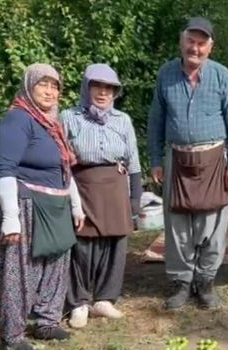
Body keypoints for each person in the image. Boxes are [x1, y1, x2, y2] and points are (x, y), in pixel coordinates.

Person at [147, 17, 228, 310]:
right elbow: (156, 122)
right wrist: (155, 159)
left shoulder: (222, 76)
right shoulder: (166, 74)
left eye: (202, 43)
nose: (196, 48)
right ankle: (181, 283)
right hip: (177, 158)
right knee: (177, 226)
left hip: (215, 159)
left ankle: (206, 282)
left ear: (210, 47)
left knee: (213, 226)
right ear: (182, 41)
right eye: (191, 40)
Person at [0, 63, 85, 350]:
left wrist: (76, 205)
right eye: (42, 84)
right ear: (29, 87)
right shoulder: (17, 120)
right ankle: (13, 335)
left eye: (54, 85)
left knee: (56, 263)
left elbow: (64, 169)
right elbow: (4, 169)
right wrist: (10, 219)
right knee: (21, 271)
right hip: (26, 203)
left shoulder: (52, 124)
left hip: (55, 203)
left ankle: (46, 321)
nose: (49, 91)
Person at [61, 64, 142, 329]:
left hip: (116, 186)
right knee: (82, 243)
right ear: (87, 87)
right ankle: (79, 302)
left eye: (109, 88)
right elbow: (61, 159)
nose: (103, 93)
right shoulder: (69, 117)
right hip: (83, 185)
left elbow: (134, 161)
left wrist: (134, 200)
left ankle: (105, 298)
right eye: (98, 86)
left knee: (115, 242)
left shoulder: (123, 120)